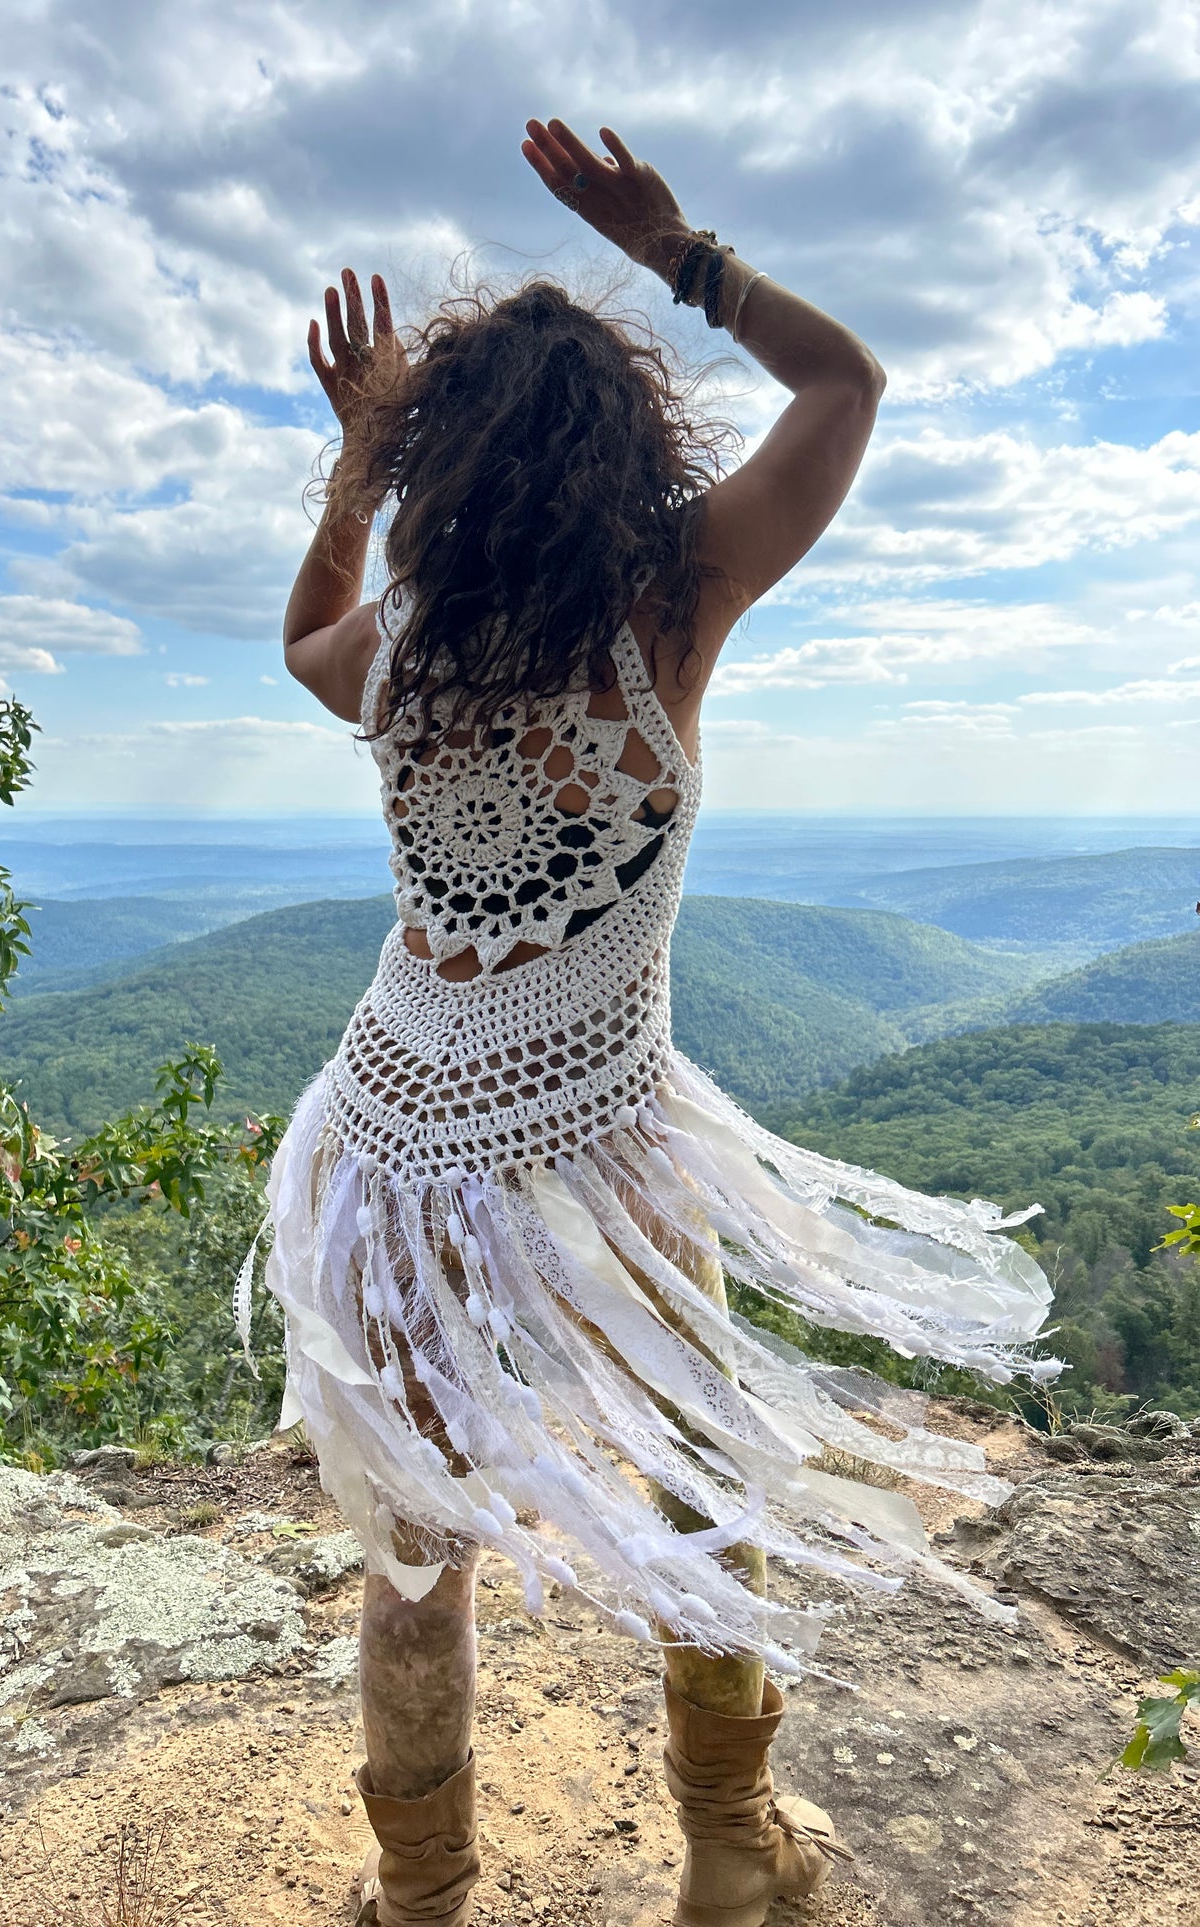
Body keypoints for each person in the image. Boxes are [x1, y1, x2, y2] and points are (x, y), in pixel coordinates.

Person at [250, 116, 1057, 1927]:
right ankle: (724, 1852)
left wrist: (352, 465)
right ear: (623, 443)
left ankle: (423, 1897)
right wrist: (680, 250)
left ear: (444, 465)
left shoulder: (404, 645)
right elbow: (845, 381)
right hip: (602, 1128)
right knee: (700, 1486)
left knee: (413, 1555)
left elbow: (300, 632)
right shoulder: (671, 598)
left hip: (389, 1136)